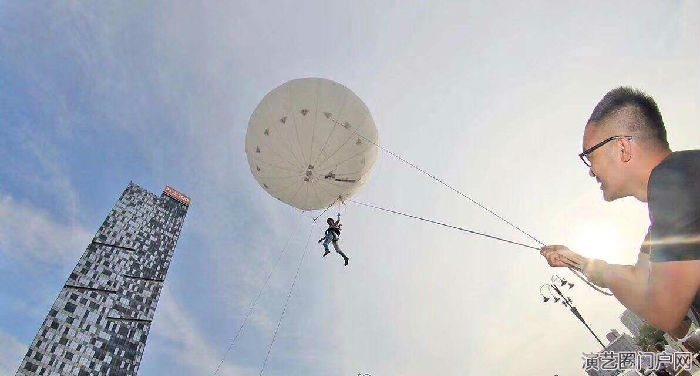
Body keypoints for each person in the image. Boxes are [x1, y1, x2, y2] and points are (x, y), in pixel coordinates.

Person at [540, 87, 700, 342]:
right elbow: (640, 280)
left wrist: (603, 273)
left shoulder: (672, 185)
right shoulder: (678, 185)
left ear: (623, 147)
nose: (591, 171)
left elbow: (665, 314)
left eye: (589, 156)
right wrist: (578, 261)